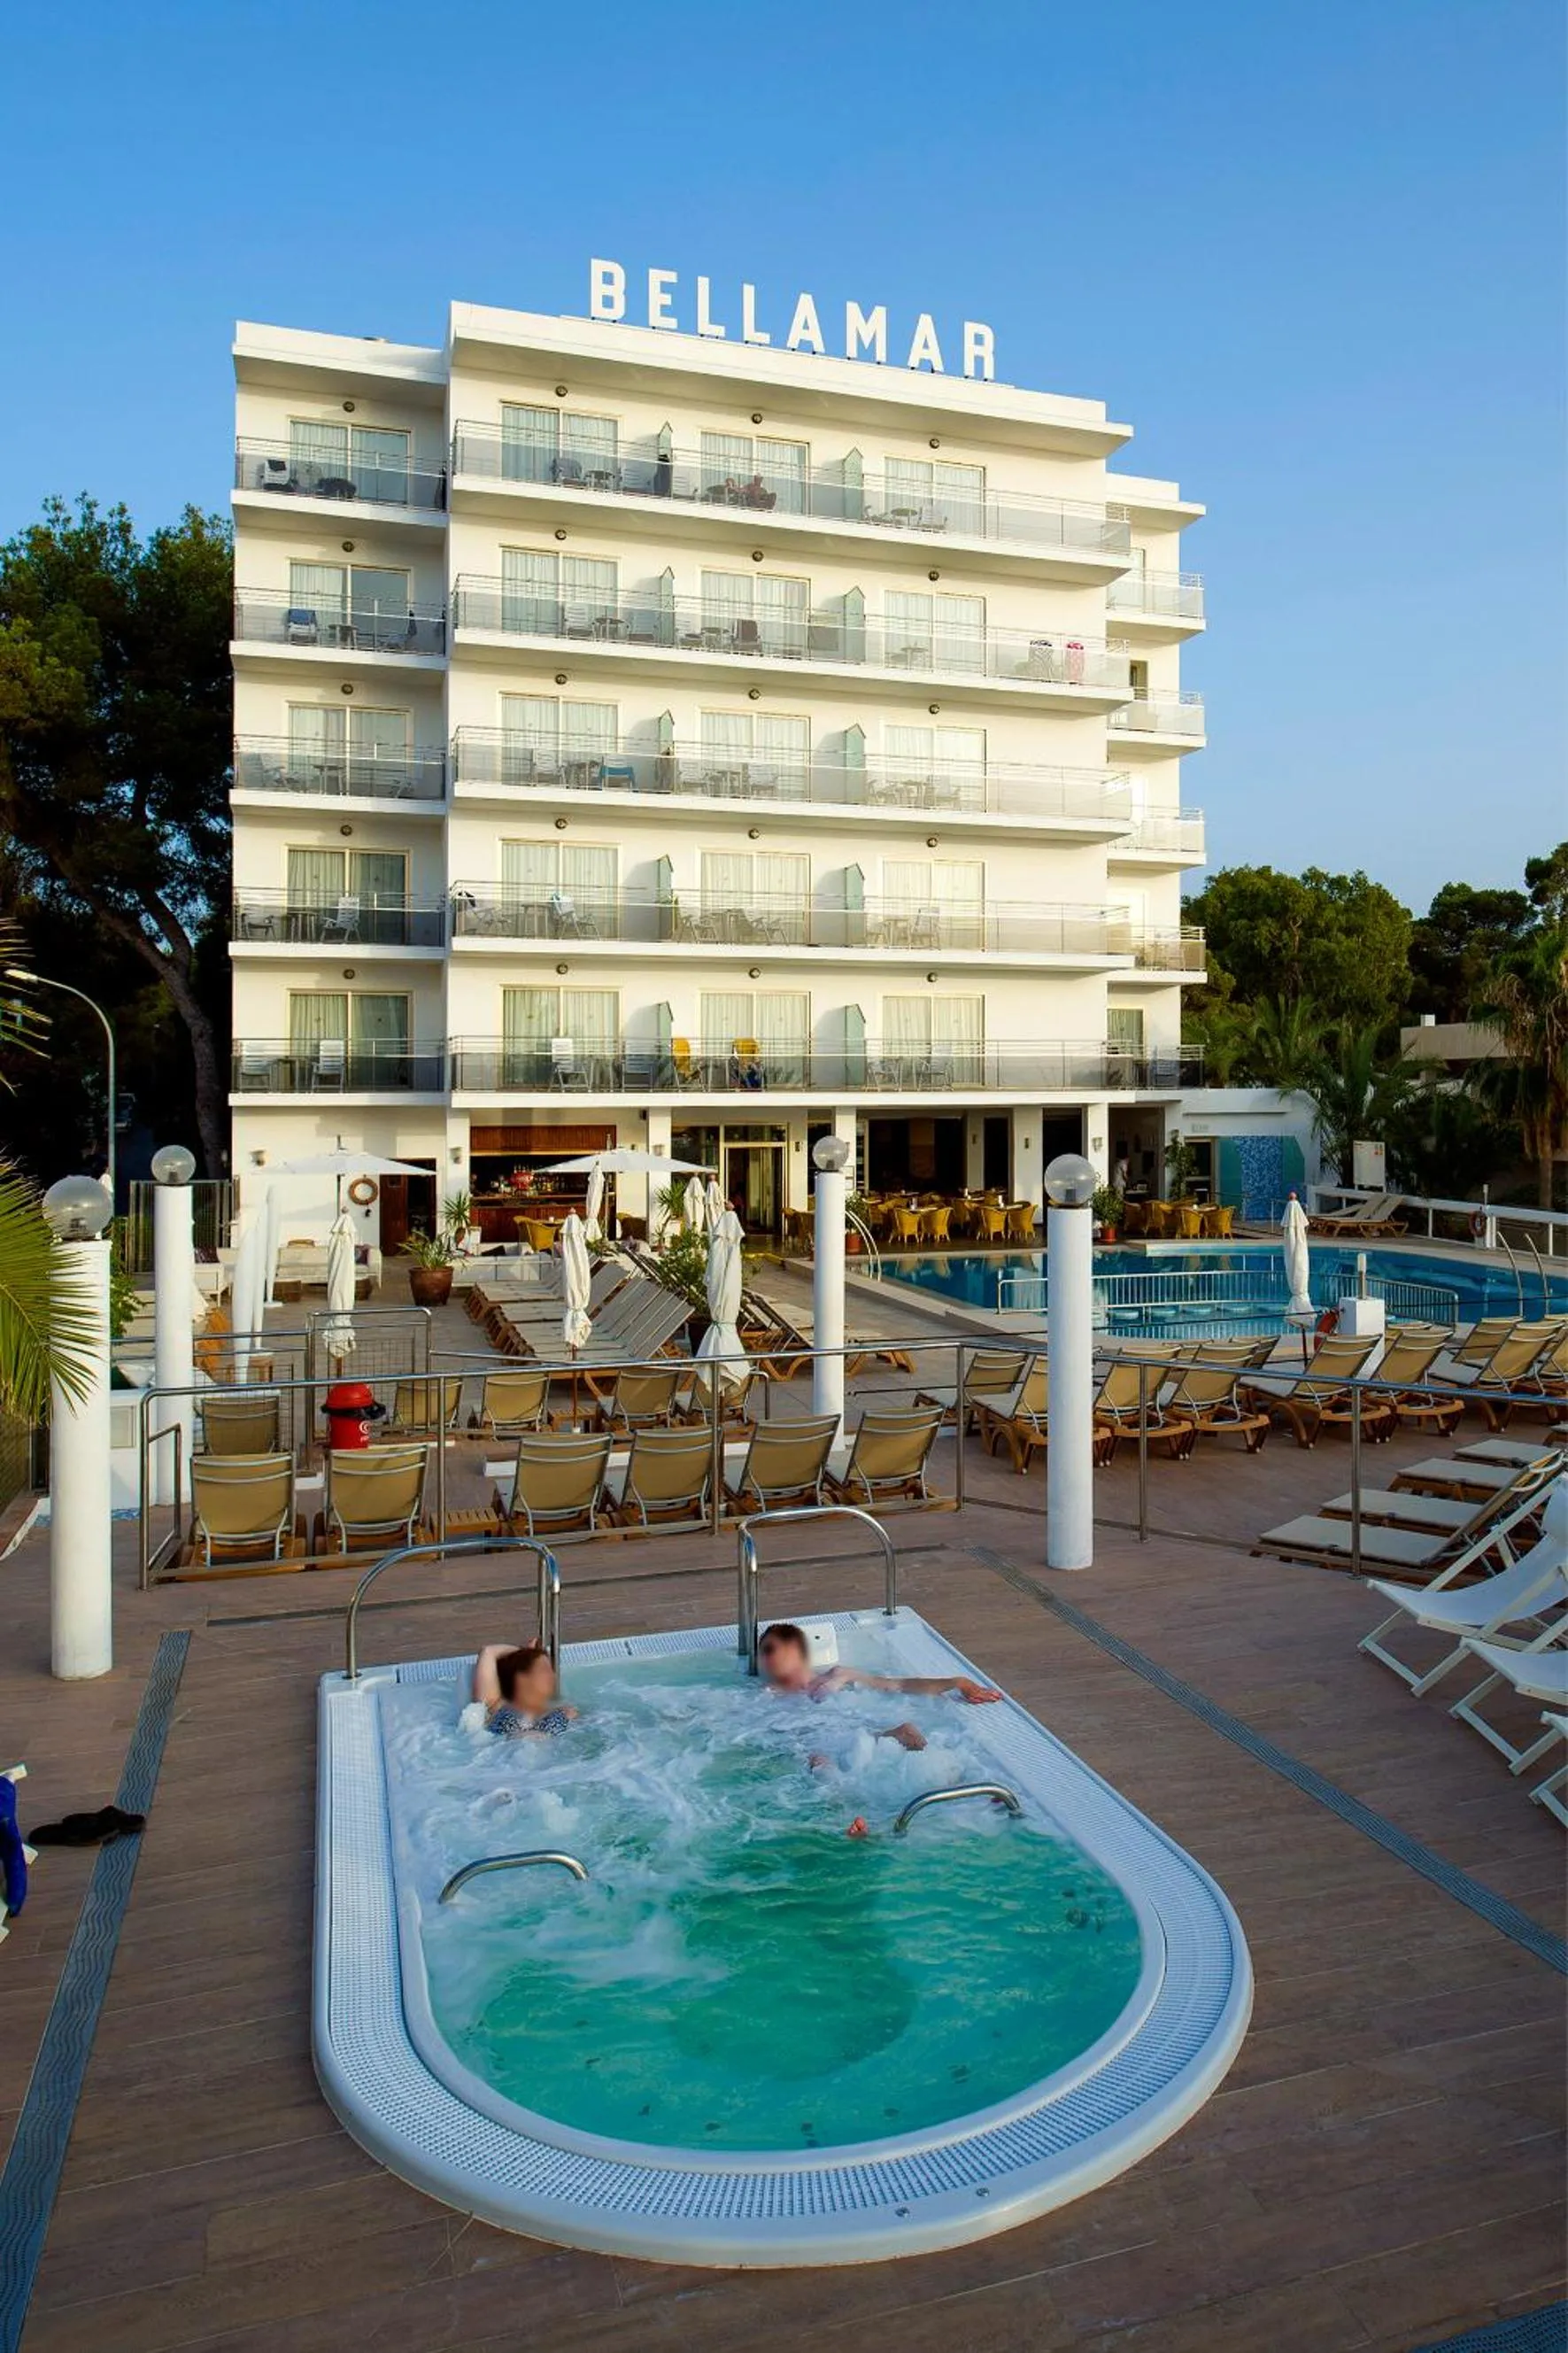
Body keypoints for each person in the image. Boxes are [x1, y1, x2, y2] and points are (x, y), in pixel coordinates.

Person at [757, 1622, 1000, 1712]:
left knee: (909, 1733)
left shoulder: (839, 1675)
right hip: (824, 1744)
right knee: (819, 1760)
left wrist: (957, 1682)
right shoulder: (769, 1695)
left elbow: (898, 1685)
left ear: (794, 1650)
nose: (765, 1659)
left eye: (769, 1650)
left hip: (857, 1734)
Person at [472, 1642, 578, 1739]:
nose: (551, 1676)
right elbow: (488, 1651)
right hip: (517, 1745)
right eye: (542, 1671)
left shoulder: (561, 1710)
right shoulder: (493, 1704)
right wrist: (524, 1653)